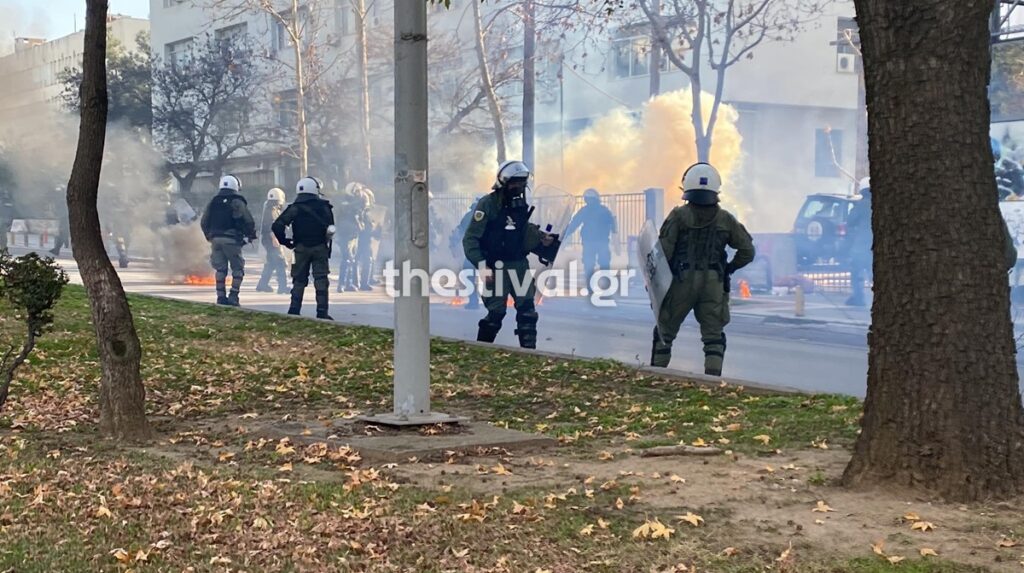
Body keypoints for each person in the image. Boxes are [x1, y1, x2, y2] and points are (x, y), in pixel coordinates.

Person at [651, 162, 755, 377]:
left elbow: (663, 252)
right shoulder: (726, 218)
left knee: (665, 332)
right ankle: (712, 383)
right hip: (713, 282)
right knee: (714, 335)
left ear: (686, 187)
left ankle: (656, 376)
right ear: (716, 189)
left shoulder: (678, 217)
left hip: (681, 280)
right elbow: (747, 251)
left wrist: (656, 283)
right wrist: (728, 268)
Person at [462, 160, 558, 349]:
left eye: (522, 183)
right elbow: (470, 239)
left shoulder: (520, 206)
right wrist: (482, 265)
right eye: (515, 183)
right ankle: (482, 351)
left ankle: (529, 354)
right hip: (495, 267)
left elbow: (522, 233)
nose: (518, 187)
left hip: (519, 266)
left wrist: (542, 239)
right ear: (503, 183)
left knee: (527, 312)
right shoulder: (488, 204)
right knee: (496, 314)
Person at [273, 176, 336, 320]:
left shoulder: (295, 207)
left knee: (299, 279)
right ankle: (322, 312)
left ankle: (294, 310)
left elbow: (277, 225)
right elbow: (331, 228)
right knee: (321, 279)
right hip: (320, 247)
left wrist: (285, 242)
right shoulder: (324, 206)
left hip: (300, 248)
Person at [200, 174, 256, 306]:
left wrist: (209, 236)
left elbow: (204, 221)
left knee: (220, 270)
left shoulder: (213, 201)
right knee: (238, 269)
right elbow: (248, 220)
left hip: (215, 240)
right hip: (231, 240)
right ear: (236, 186)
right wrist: (250, 235)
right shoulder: (237, 201)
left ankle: (220, 297)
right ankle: (233, 296)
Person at [564, 188, 617, 278]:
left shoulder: (595, 210)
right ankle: (598, 284)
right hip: (594, 241)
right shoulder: (600, 210)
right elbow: (574, 223)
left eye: (591, 199)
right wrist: (566, 233)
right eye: (588, 199)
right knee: (593, 263)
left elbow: (574, 223)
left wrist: (566, 233)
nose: (590, 201)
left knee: (598, 263)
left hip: (597, 241)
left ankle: (602, 283)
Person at [451, 197, 484, 309]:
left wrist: (453, 244)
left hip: (473, 252)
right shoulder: (492, 214)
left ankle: (474, 301)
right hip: (488, 253)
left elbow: (459, 231)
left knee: (469, 275)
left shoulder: (469, 216)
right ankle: (492, 303)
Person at [844, 178, 872, 307]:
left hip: (861, 247)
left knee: (856, 273)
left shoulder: (861, 205)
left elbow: (850, 221)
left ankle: (858, 298)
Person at [256, 187, 289, 294]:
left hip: (269, 240)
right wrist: (274, 238)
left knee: (270, 263)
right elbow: (270, 225)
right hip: (272, 240)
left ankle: (262, 284)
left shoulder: (269, 208)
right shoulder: (272, 210)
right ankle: (282, 287)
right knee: (280, 262)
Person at [334, 182, 363, 293]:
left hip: (352, 235)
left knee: (351, 259)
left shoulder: (352, 203)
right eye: (357, 191)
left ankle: (349, 283)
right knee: (346, 259)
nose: (359, 193)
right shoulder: (347, 205)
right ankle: (341, 284)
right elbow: (354, 218)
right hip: (346, 235)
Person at [354, 187, 378, 291]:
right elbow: (366, 226)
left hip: (362, 239)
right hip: (362, 239)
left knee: (359, 261)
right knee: (362, 261)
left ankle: (360, 282)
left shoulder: (362, 212)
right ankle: (361, 283)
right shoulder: (360, 212)